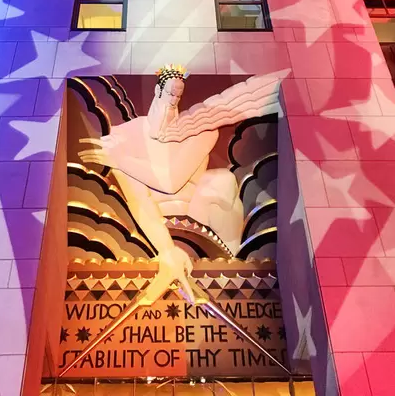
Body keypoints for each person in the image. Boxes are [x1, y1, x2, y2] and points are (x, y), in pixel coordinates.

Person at [79, 65, 281, 296]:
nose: (174, 100)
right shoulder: (125, 134)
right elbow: (136, 196)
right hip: (149, 230)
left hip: (203, 225)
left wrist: (122, 159)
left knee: (222, 180)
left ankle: (232, 267)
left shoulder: (200, 130)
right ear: (158, 91)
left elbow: (170, 182)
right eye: (169, 93)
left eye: (178, 94)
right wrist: (167, 249)